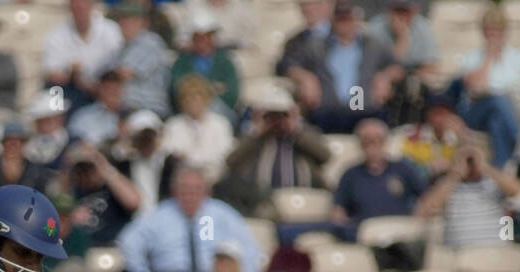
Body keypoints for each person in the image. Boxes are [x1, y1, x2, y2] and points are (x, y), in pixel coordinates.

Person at [117, 164, 259, 272]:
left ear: (207, 192)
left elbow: (249, 248)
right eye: (184, 189)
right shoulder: (158, 215)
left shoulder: (222, 213)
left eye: (196, 190)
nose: (190, 195)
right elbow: (128, 243)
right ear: (174, 191)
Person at [288, 1, 399, 135]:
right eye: (339, 18)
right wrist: (305, 78)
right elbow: (289, 65)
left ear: (356, 18)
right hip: (327, 112)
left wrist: (385, 77)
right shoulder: (316, 45)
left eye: (348, 18)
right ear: (332, 19)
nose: (344, 23)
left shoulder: (373, 44)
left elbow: (397, 66)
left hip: (365, 111)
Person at [219, 85, 330, 215]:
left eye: (282, 115)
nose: (277, 121)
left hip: (300, 194)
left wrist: (295, 130)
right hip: (262, 200)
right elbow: (231, 161)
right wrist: (257, 133)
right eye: (271, 115)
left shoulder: (304, 135)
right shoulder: (253, 139)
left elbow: (325, 156)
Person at [450, 7, 520, 169]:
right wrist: (489, 58)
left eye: (497, 31)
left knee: (497, 121)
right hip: (476, 111)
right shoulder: (471, 58)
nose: (493, 35)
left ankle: (503, 168)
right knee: (498, 100)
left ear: (505, 32)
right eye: (489, 31)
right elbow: (476, 89)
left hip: (510, 110)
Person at [330, 117, 430, 231]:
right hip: (365, 233)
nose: (372, 144)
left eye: (378, 139)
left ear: (385, 142)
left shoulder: (402, 168)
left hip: (399, 233)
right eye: (366, 140)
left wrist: (416, 220)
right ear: (360, 144)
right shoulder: (350, 175)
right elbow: (338, 210)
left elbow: (426, 196)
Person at [418, 141, 520, 248]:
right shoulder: (449, 185)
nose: (470, 164)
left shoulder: (495, 183)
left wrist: (484, 167)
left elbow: (517, 190)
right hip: (458, 255)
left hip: (495, 251)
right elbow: (424, 210)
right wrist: (455, 174)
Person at [41, 0, 124, 110]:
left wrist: (101, 86)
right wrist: (72, 75)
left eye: (84, 5)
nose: (80, 9)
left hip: (107, 87)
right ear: (70, 7)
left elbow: (120, 65)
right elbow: (52, 73)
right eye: (76, 6)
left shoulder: (110, 29)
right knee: (54, 90)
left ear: (92, 6)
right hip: (74, 90)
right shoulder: (57, 34)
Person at [160, 74, 235, 185]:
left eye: (197, 97)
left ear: (206, 99)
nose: (193, 102)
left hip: (215, 182)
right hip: (182, 183)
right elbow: (170, 152)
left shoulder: (221, 124)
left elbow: (223, 156)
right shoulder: (173, 125)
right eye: (187, 98)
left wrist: (190, 158)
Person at [110, 110, 179, 216]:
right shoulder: (124, 164)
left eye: (150, 136)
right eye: (141, 136)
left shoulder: (171, 164)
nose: (146, 141)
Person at [169, 11, 239, 114]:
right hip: (187, 113)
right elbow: (177, 92)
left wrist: (196, 89)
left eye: (207, 36)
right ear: (192, 38)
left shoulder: (226, 62)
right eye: (199, 37)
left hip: (219, 114)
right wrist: (212, 88)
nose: (203, 41)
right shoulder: (181, 63)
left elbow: (232, 95)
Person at [111, 0, 171, 117]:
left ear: (143, 22)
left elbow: (125, 73)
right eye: (122, 20)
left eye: (130, 20)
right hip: (126, 111)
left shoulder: (151, 41)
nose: (124, 24)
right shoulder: (121, 48)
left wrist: (104, 80)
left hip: (150, 109)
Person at [0, 120, 53, 197]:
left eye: (19, 141)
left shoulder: (36, 172)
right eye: (9, 141)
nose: (13, 145)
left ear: (24, 143)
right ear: (3, 143)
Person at [68, 69, 128, 146]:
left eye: (116, 89)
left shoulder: (133, 116)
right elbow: (73, 143)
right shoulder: (83, 116)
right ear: (100, 89)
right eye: (108, 89)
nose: (112, 93)